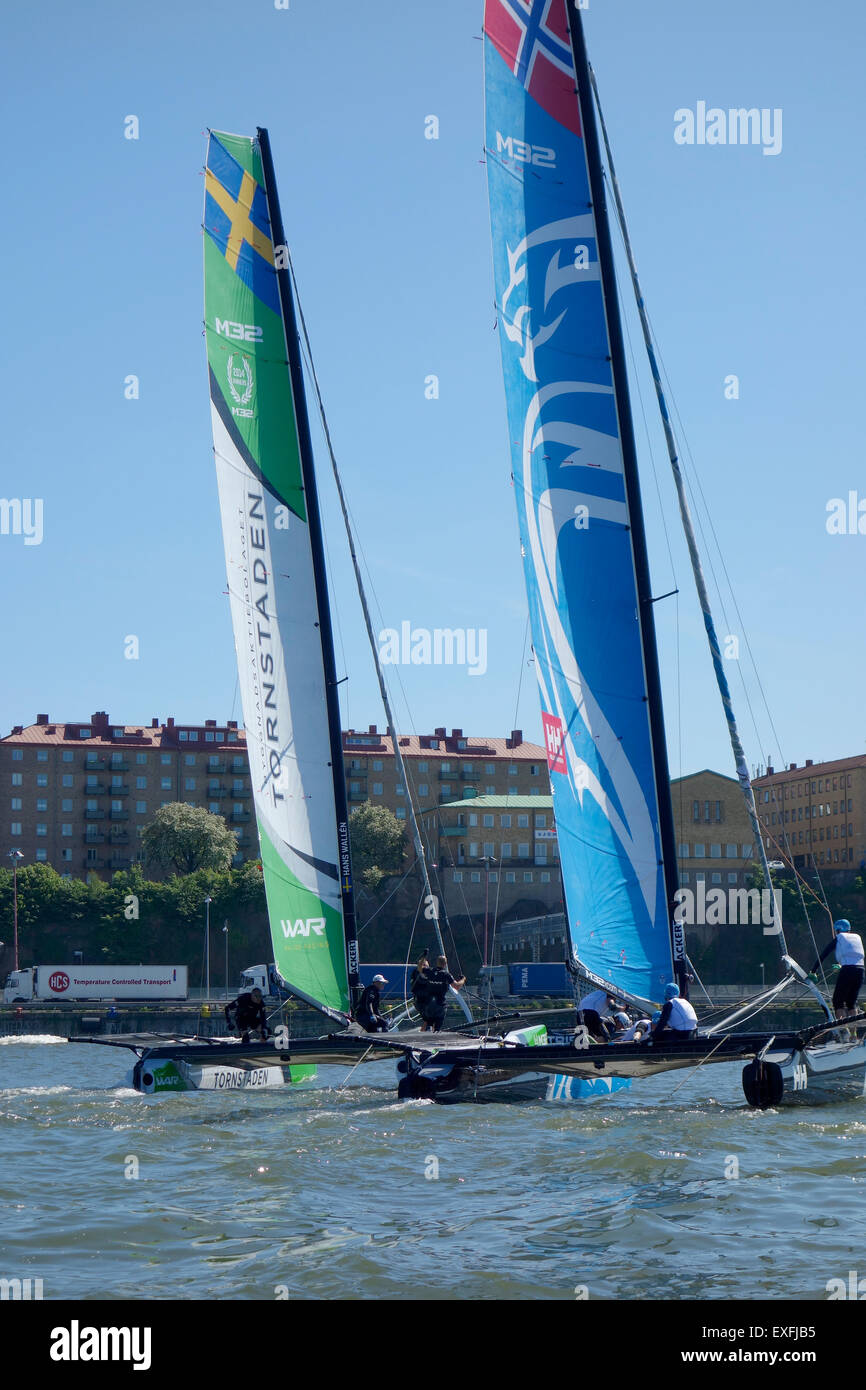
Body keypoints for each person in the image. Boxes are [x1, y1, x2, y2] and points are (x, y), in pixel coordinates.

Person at [808, 919, 865, 1020]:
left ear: (838, 930)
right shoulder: (857, 937)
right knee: (851, 1002)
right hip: (860, 971)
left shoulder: (839, 937)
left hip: (847, 970)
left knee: (838, 1002)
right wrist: (842, 965)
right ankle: (853, 1034)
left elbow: (823, 955)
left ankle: (842, 1030)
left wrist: (813, 971)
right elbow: (853, 955)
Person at [419, 955, 466, 1033]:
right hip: (439, 1004)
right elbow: (457, 986)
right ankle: (434, 1035)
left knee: (428, 1023)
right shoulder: (446, 975)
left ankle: (423, 1035)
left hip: (428, 1004)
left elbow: (420, 968)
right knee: (437, 1028)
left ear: (437, 962)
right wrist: (463, 979)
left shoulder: (429, 971)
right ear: (445, 964)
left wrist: (423, 957)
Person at [410, 953, 432, 1025]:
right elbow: (422, 979)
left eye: (426, 966)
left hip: (428, 999)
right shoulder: (417, 973)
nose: (426, 968)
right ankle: (428, 1028)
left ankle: (430, 1029)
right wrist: (423, 957)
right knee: (427, 1016)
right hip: (420, 1000)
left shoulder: (430, 973)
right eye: (424, 965)